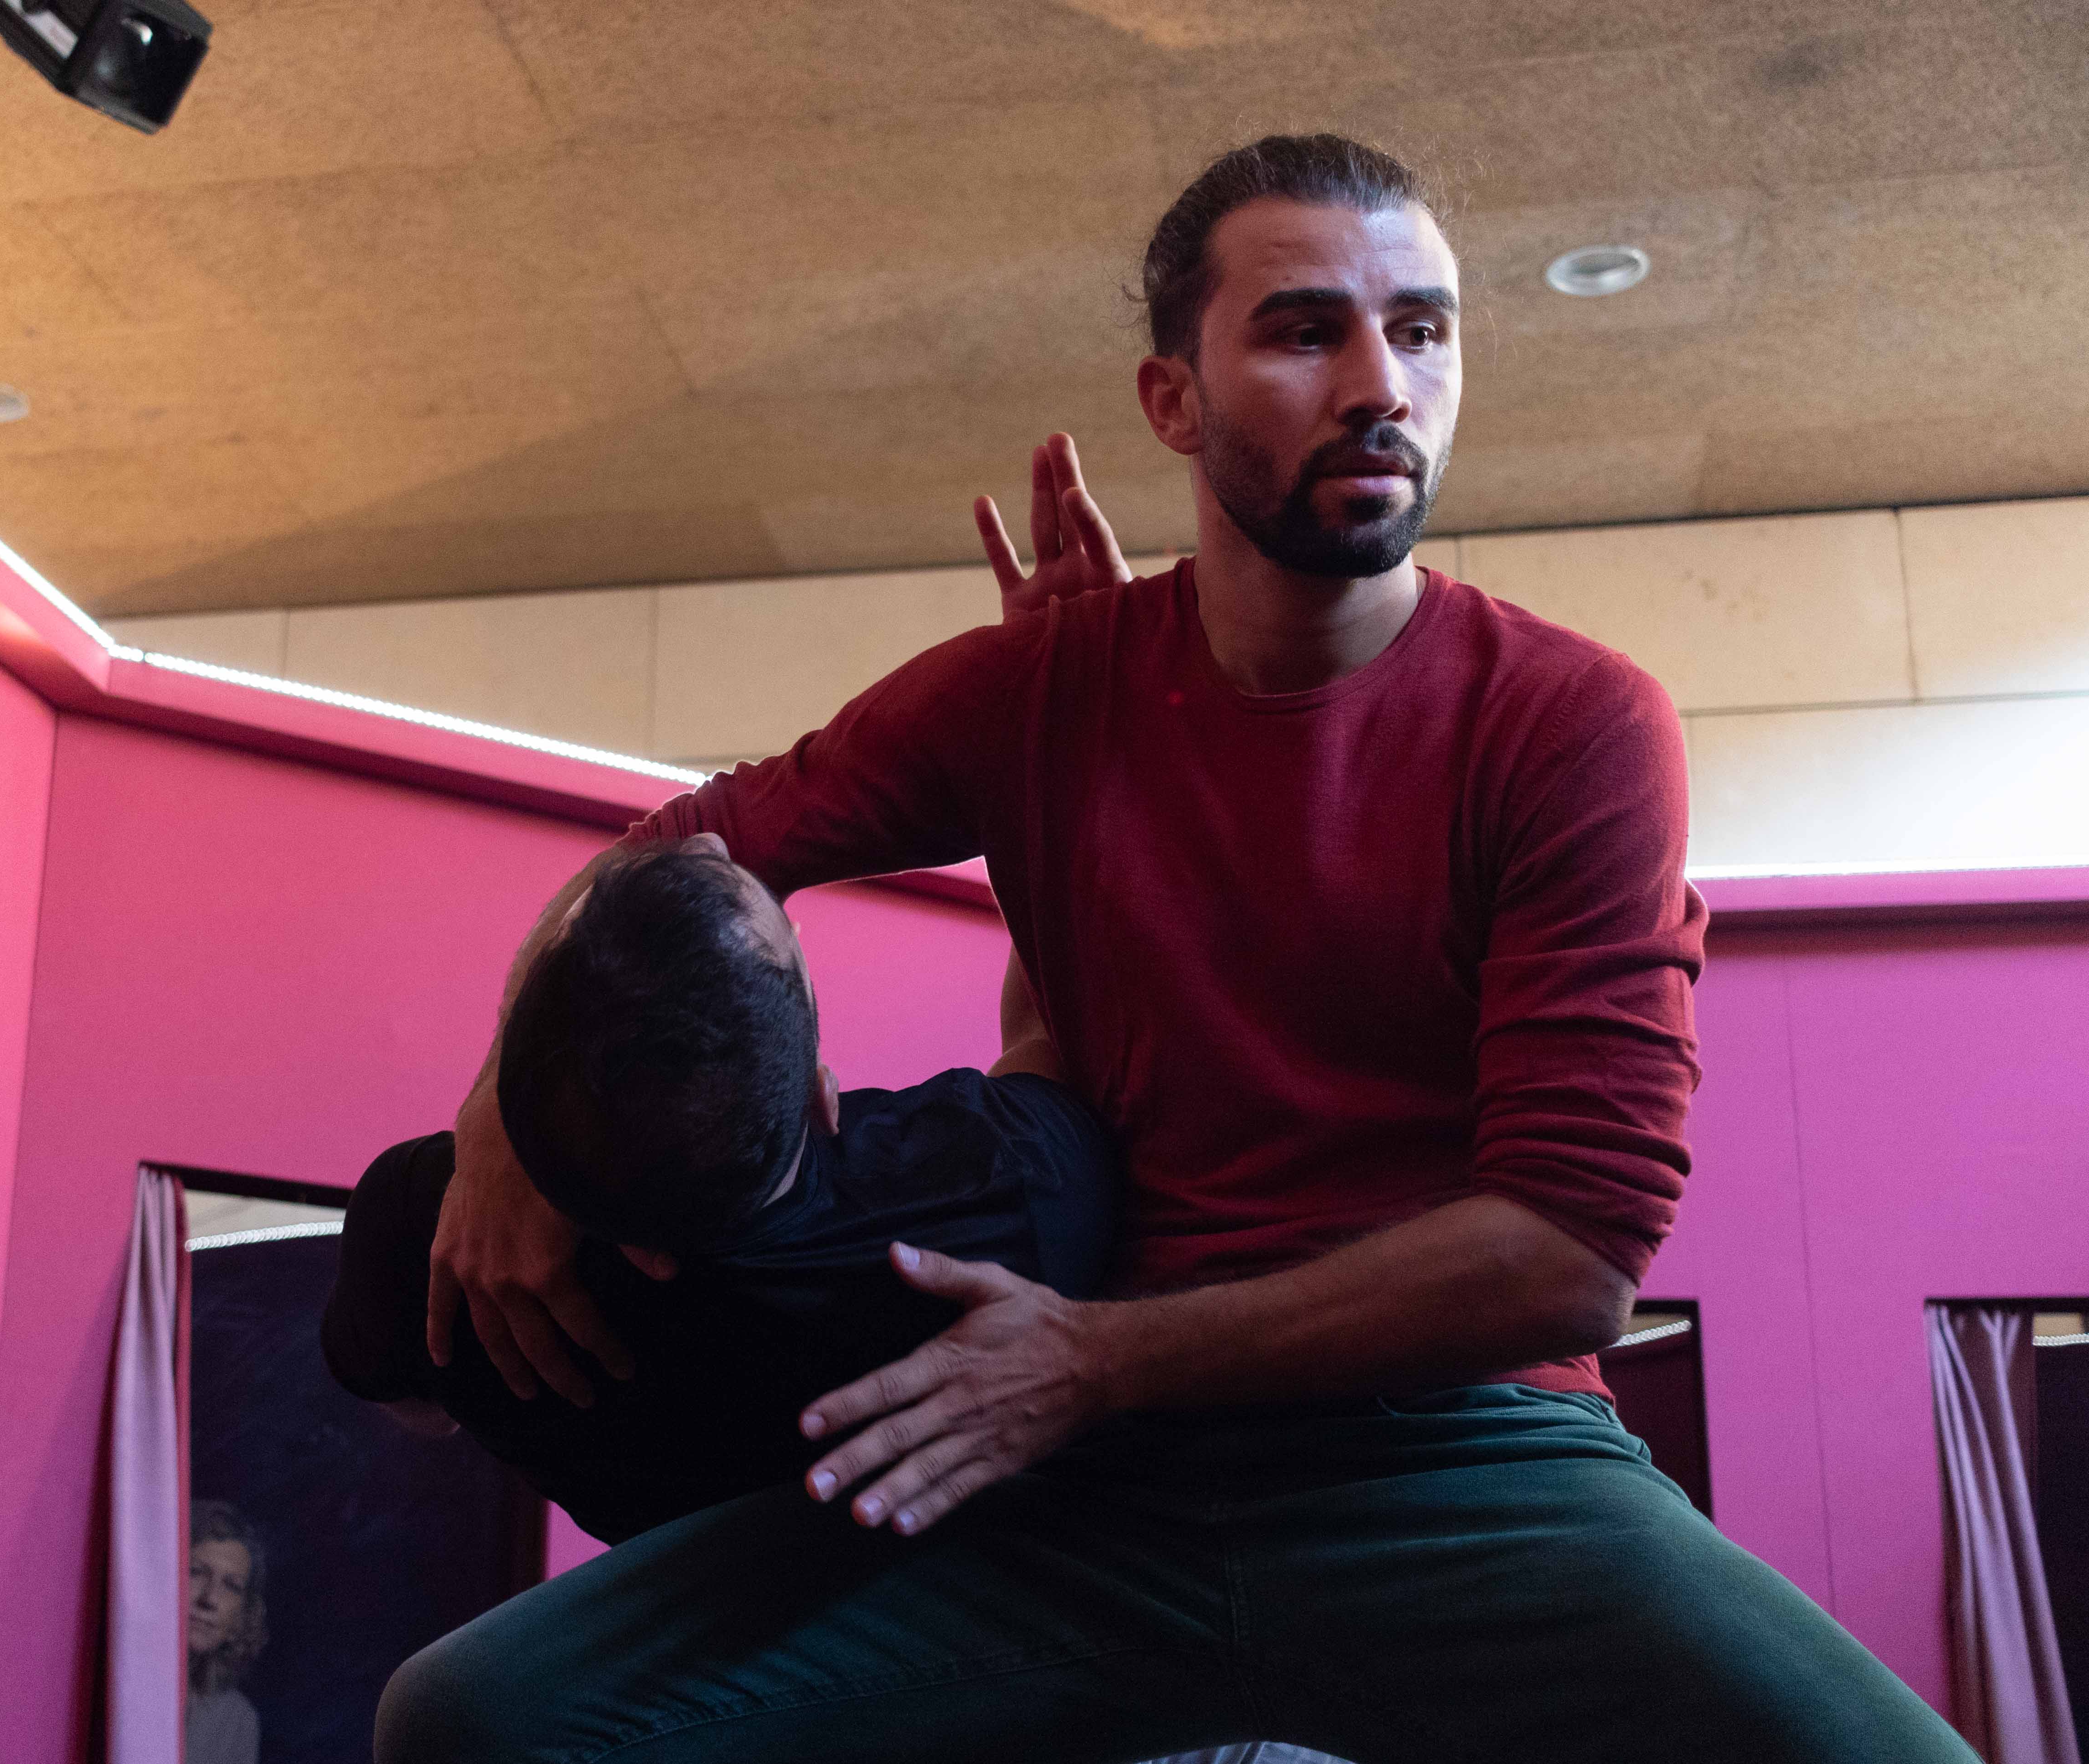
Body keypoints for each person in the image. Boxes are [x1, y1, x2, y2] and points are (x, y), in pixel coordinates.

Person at [381, 135, 1977, 1761]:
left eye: (1421, 330)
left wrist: (1093, 1360)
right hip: (1085, 1488)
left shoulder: (1572, 719)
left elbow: (1570, 1245)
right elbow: (667, 861)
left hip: (1456, 1466)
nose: (1380, 384)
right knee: (477, 1716)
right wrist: (506, 1115)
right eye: (1304, 331)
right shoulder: (1039, 690)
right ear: (1171, 399)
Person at [321, 833, 1120, 1543]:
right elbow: (1046, 1034)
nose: (707, 839)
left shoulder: (419, 1227)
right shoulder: (1008, 1189)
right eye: (788, 944)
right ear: (823, 1096)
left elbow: (415, 1406)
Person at [185, 1500, 266, 1764]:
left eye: (231, 1586)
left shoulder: (237, 1722)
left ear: (241, 1618)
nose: (210, 1599)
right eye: (197, 1572)